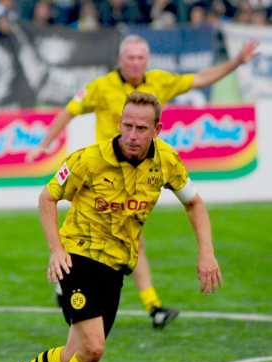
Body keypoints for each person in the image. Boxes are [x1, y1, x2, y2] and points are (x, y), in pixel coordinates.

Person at [0, 92, 222, 362]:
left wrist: (207, 253)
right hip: (77, 258)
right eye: (126, 125)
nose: (132, 134)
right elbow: (47, 196)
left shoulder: (166, 161)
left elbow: (194, 203)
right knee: (95, 346)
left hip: (117, 266)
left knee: (76, 355)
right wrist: (56, 249)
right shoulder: (89, 159)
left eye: (141, 128)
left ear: (157, 129)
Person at [27, 34, 256, 329]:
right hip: (97, 181)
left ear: (147, 60)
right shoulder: (101, 86)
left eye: (140, 57)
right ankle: (141, 303)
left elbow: (200, 79)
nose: (135, 62)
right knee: (108, 244)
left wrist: (236, 61)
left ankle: (148, 306)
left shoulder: (160, 82)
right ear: (120, 60)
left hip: (138, 179)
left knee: (133, 244)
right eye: (130, 57)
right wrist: (45, 144)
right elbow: (70, 110)